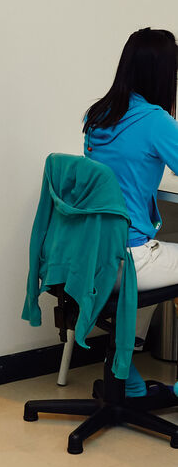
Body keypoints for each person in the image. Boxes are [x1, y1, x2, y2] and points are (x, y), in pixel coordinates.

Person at [83, 26, 178, 396]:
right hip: (130, 260)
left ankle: (123, 368)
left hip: (93, 255)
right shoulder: (155, 120)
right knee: (155, 255)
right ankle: (124, 363)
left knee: (157, 253)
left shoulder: (98, 115)